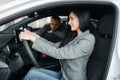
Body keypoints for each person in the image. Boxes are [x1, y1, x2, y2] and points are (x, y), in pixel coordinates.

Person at [19, 9, 95, 80]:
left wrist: (34, 39)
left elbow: (59, 53)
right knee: (33, 70)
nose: (68, 22)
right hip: (63, 75)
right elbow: (54, 45)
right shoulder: (74, 36)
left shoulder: (88, 39)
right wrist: (35, 36)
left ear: (81, 19)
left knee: (32, 75)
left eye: (72, 18)